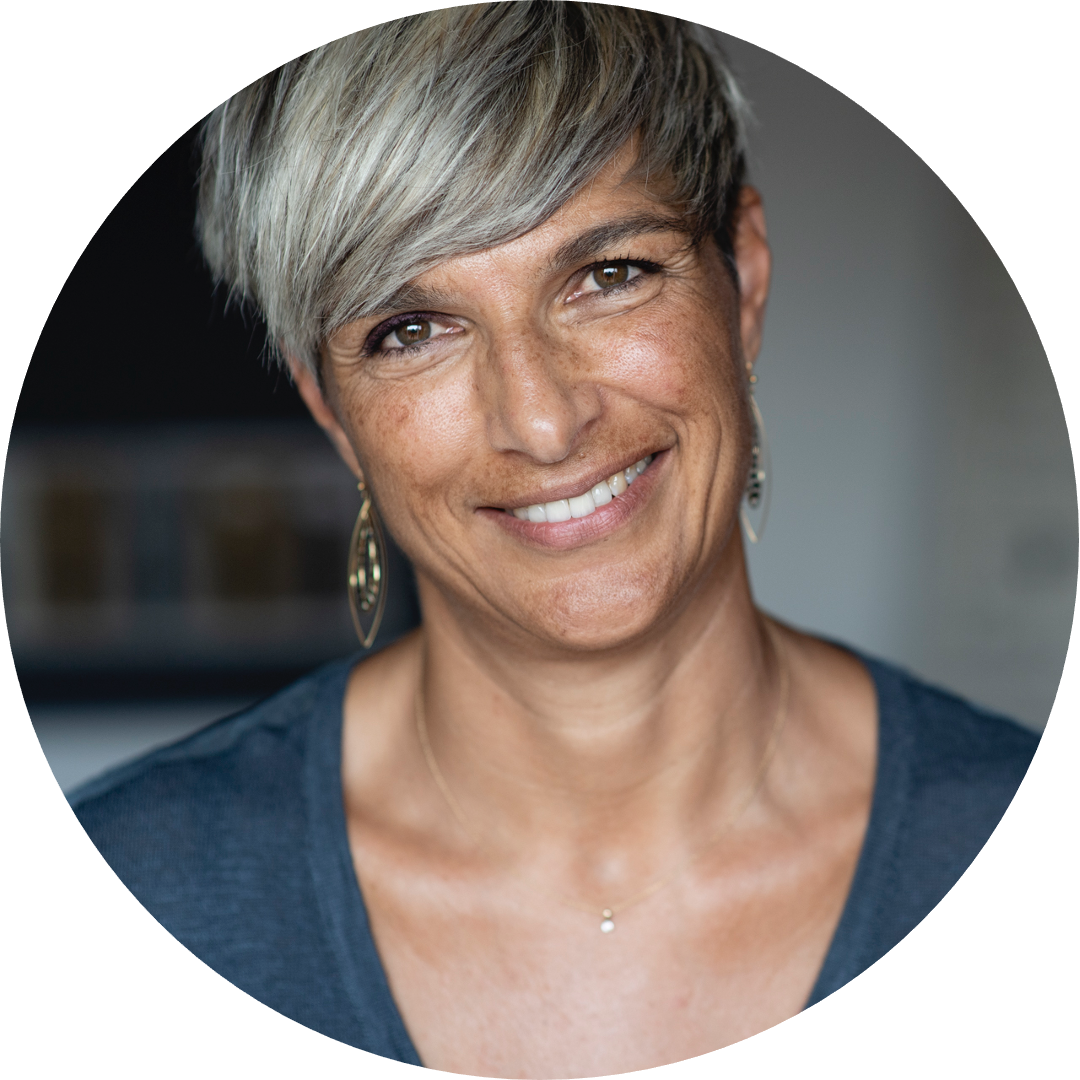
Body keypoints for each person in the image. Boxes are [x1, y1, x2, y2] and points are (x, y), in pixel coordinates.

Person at [70, 7, 1039, 1071]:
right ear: (332, 412)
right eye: (411, 330)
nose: (541, 420)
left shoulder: (988, 815)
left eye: (608, 273)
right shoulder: (148, 877)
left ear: (745, 281)